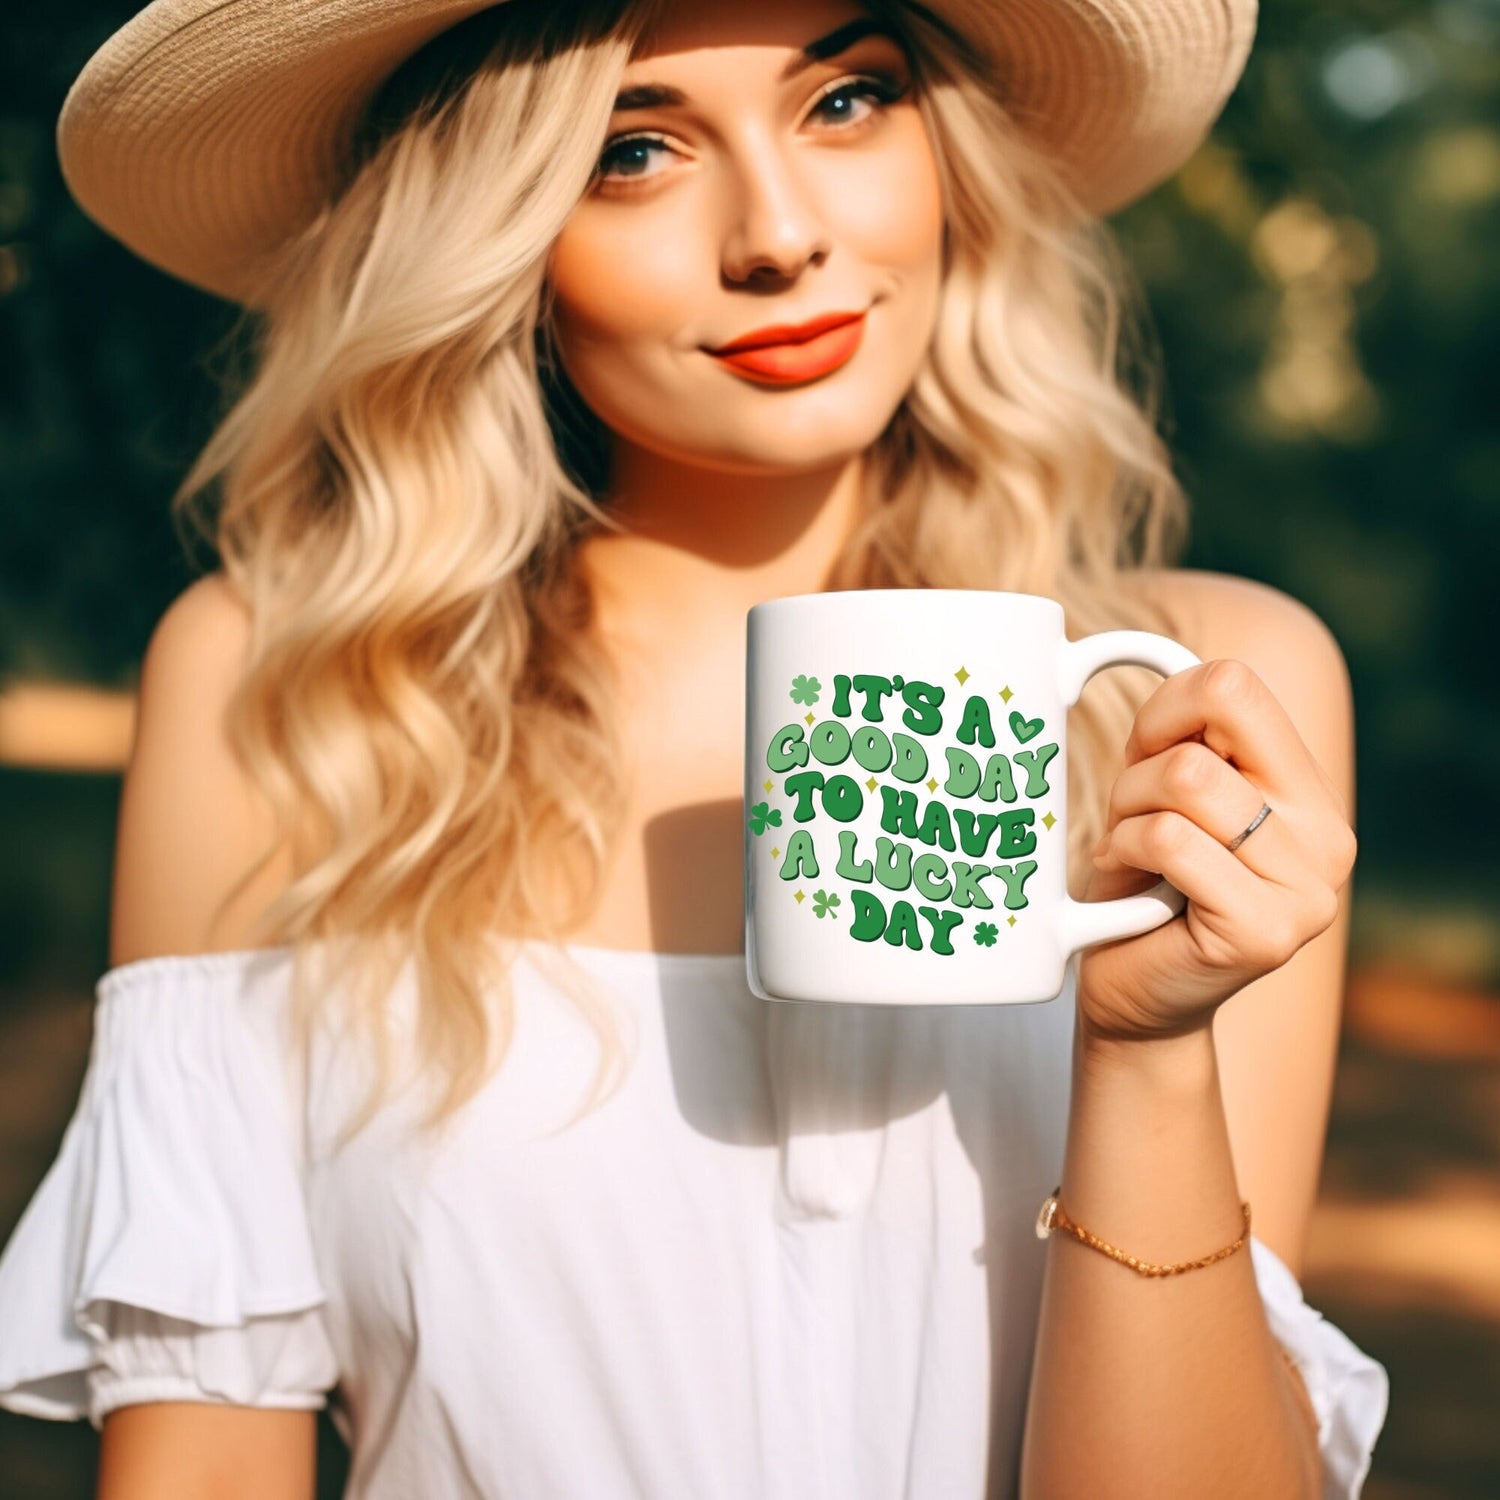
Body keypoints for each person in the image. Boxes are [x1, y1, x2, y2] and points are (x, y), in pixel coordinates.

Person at [0, 0, 1390, 1496]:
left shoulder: (1195, 700)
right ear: (489, 226)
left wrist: (1146, 1054)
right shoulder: (300, 696)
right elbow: (204, 1460)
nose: (780, 233)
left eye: (847, 102)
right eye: (635, 149)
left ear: (949, 154)